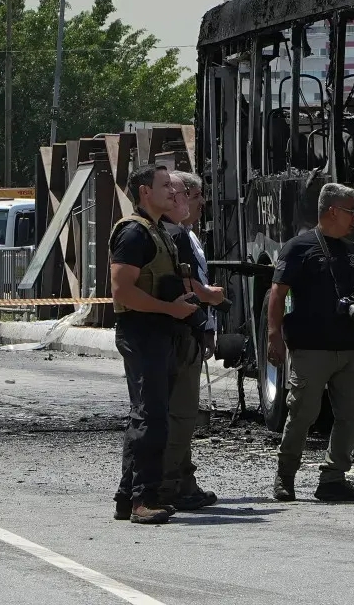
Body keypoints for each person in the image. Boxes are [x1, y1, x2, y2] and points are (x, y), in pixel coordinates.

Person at [267, 182, 354, 502]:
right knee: (302, 414)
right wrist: (274, 336)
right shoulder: (298, 247)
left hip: (347, 347)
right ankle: (285, 476)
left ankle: (333, 478)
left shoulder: (350, 250)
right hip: (311, 348)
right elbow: (277, 293)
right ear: (332, 212)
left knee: (351, 412)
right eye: (351, 211)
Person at [109, 164, 202, 525]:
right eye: (165, 185)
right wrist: (171, 309)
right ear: (145, 191)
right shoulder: (134, 233)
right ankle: (142, 500)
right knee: (151, 419)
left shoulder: (157, 231)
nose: (174, 192)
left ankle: (125, 497)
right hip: (142, 331)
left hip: (158, 332)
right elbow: (123, 292)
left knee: (148, 417)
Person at [158, 171, 222, 512]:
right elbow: (189, 287)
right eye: (195, 198)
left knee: (181, 413)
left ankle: (183, 479)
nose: (199, 206)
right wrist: (207, 302)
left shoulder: (186, 235)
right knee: (180, 415)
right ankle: (170, 485)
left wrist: (207, 327)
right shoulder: (171, 237)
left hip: (192, 329)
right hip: (180, 333)